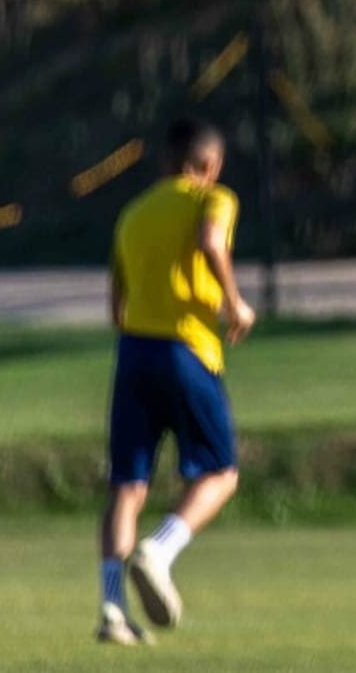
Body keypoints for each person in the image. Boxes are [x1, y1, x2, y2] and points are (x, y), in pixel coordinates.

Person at [96, 117, 255, 644]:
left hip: (133, 354)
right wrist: (234, 302)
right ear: (209, 166)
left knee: (127, 485)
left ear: (166, 164)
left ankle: (113, 612)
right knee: (220, 472)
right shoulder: (214, 199)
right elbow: (211, 240)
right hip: (187, 349)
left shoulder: (131, 214)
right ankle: (159, 550)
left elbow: (115, 305)